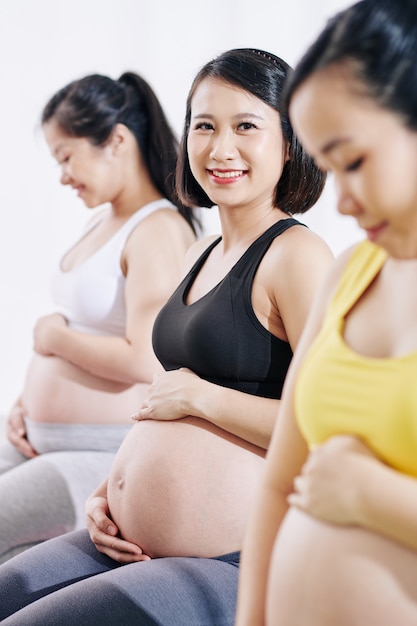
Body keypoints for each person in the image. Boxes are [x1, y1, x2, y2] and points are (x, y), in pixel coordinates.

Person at [0, 48, 333, 625]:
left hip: (233, 557)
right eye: (203, 126)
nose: (219, 148)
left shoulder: (296, 255)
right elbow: (166, 404)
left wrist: (204, 398)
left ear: (290, 140)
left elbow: (329, 426)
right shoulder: (201, 251)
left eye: (245, 126)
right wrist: (110, 491)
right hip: (127, 536)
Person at [235, 2, 417, 625]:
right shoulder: (350, 273)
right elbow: (280, 484)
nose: (341, 200)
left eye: (356, 161)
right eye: (330, 168)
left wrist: (378, 498)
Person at [0, 71, 198, 563]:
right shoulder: (102, 219)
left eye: (66, 157)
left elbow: (145, 359)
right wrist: (29, 399)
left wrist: (52, 340)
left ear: (116, 140)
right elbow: (89, 324)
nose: (63, 175)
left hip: (103, 453)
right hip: (47, 439)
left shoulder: (157, 229)